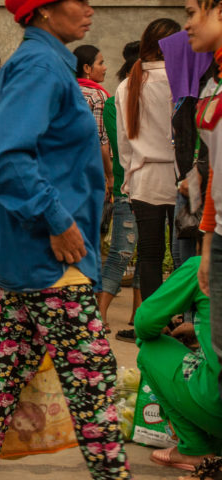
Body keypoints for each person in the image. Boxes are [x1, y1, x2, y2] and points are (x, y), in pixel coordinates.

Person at [0, 0, 129, 479]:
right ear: (44, 9)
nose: (90, 9)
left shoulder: (46, 62)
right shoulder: (38, 65)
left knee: (6, 379)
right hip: (50, 256)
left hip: (35, 255)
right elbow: (10, 157)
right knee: (95, 383)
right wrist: (57, 220)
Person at [136, 257, 222, 473]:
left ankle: (195, 448)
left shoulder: (205, 265)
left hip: (216, 403)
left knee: (150, 348)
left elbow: (144, 322)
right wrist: (200, 330)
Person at [115, 18, 181, 301]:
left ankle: (154, 320)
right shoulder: (180, 81)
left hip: (143, 179)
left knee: (150, 255)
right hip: (179, 178)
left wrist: (129, 179)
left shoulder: (127, 85)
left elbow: (124, 145)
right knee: (182, 256)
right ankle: (184, 317)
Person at [183, 0, 222, 404]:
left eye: (193, 13)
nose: (188, 24)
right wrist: (209, 245)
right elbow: (215, 173)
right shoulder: (213, 80)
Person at [97, 42, 142, 340]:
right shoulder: (114, 103)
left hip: (155, 187)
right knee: (121, 252)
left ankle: (140, 313)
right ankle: (99, 314)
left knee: (148, 253)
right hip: (128, 186)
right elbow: (117, 142)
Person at [160, 29, 214, 270]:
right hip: (187, 184)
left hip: (196, 184)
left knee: (188, 260)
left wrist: (196, 175)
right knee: (181, 257)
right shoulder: (187, 96)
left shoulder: (206, 93)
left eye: (170, 57)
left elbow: (209, 141)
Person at [75, 44, 116, 200]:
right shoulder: (97, 96)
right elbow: (100, 141)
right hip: (89, 173)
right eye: (101, 63)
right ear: (87, 68)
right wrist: (110, 177)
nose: (105, 68)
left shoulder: (66, 90)